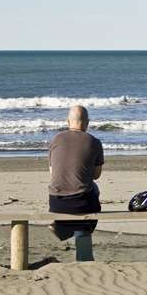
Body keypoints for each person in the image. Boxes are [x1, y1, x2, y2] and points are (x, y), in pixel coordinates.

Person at [48, 105, 104, 261]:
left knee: (83, 195)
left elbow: (52, 172)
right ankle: (83, 255)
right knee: (93, 191)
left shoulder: (56, 139)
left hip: (56, 201)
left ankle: (63, 228)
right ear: (87, 122)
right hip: (81, 202)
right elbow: (96, 175)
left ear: (68, 121)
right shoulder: (94, 142)